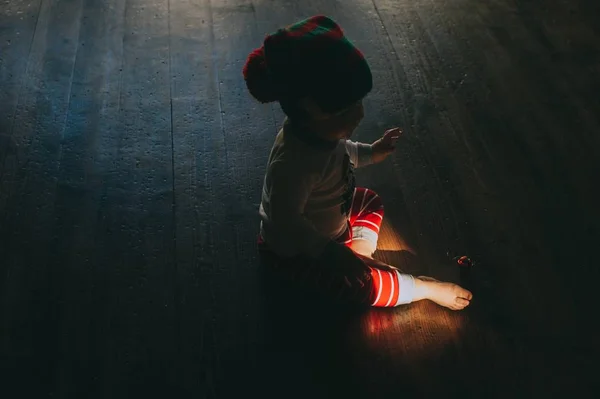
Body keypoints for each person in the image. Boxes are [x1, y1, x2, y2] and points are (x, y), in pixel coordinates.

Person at [243, 15, 472, 310]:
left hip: (332, 229)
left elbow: (342, 153)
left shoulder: (319, 135)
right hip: (295, 253)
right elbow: (286, 225)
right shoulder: (293, 164)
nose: (361, 114)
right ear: (313, 110)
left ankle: (362, 254)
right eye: (349, 109)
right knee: (353, 288)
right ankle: (420, 288)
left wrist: (372, 151)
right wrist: (330, 254)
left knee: (369, 200)